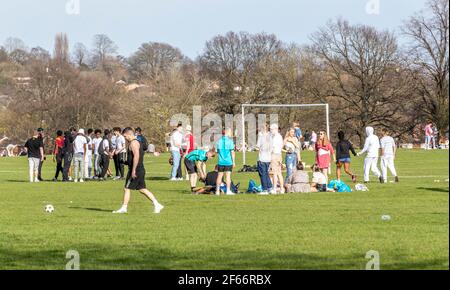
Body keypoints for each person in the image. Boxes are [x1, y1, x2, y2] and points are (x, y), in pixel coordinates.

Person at [113, 127, 164, 214]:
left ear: (129, 134)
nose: (125, 138)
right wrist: (125, 162)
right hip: (139, 169)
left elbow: (136, 156)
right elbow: (133, 158)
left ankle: (124, 208)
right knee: (142, 189)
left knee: (127, 188)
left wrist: (133, 170)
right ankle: (157, 204)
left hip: (136, 170)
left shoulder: (133, 143)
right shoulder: (135, 142)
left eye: (125, 136)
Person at [215, 128, 236, 196]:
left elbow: (217, 152)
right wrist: (234, 162)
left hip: (220, 162)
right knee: (228, 176)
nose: (231, 133)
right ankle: (228, 190)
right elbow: (232, 152)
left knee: (219, 176)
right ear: (227, 133)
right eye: (230, 132)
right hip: (228, 162)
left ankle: (217, 191)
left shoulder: (219, 141)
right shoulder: (230, 141)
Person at [256, 124, 273, 194]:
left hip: (262, 158)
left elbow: (257, 146)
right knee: (267, 174)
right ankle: (270, 188)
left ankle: (265, 190)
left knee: (262, 174)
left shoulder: (261, 136)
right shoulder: (270, 135)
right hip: (269, 158)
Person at [269, 124, 285, 194]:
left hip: (274, 155)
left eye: (272, 129)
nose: (271, 131)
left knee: (275, 173)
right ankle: (282, 189)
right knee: (279, 173)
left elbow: (272, 147)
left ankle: (274, 188)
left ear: (275, 129)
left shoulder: (276, 137)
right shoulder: (280, 136)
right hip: (279, 155)